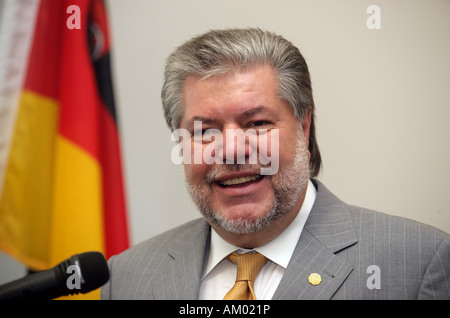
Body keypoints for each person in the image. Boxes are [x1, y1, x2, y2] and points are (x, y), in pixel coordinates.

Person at [101, 28, 450, 300]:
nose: (232, 150)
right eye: (205, 130)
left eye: (257, 124)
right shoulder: (127, 277)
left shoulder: (416, 263)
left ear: (304, 126)